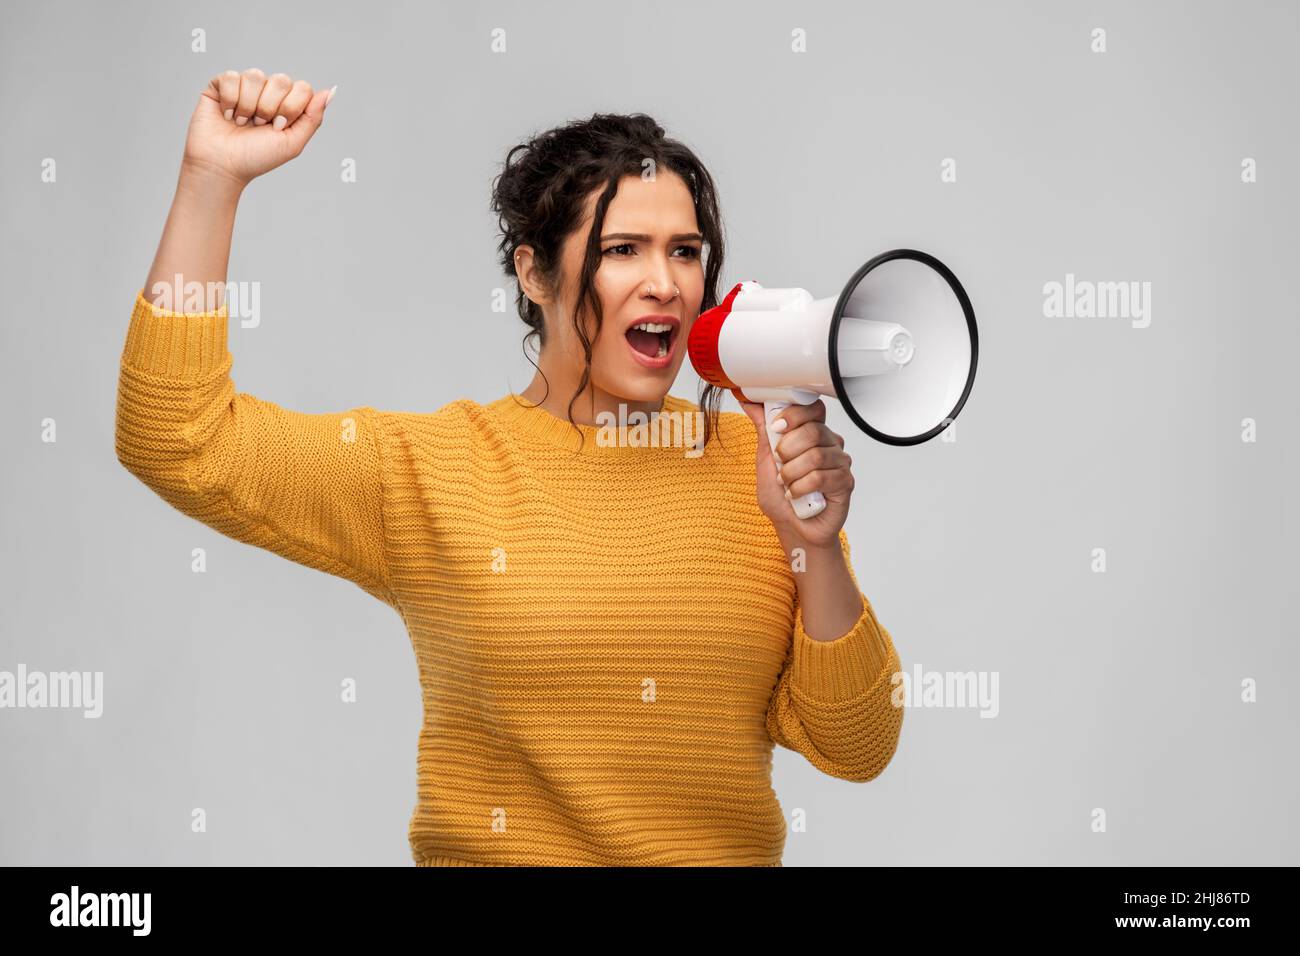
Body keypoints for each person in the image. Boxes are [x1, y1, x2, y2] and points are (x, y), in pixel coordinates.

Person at [115, 68, 904, 866]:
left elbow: (859, 745)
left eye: (686, 252)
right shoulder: (435, 469)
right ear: (535, 273)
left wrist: (813, 543)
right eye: (623, 250)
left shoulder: (758, 470)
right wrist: (211, 180)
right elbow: (177, 436)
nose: (665, 284)